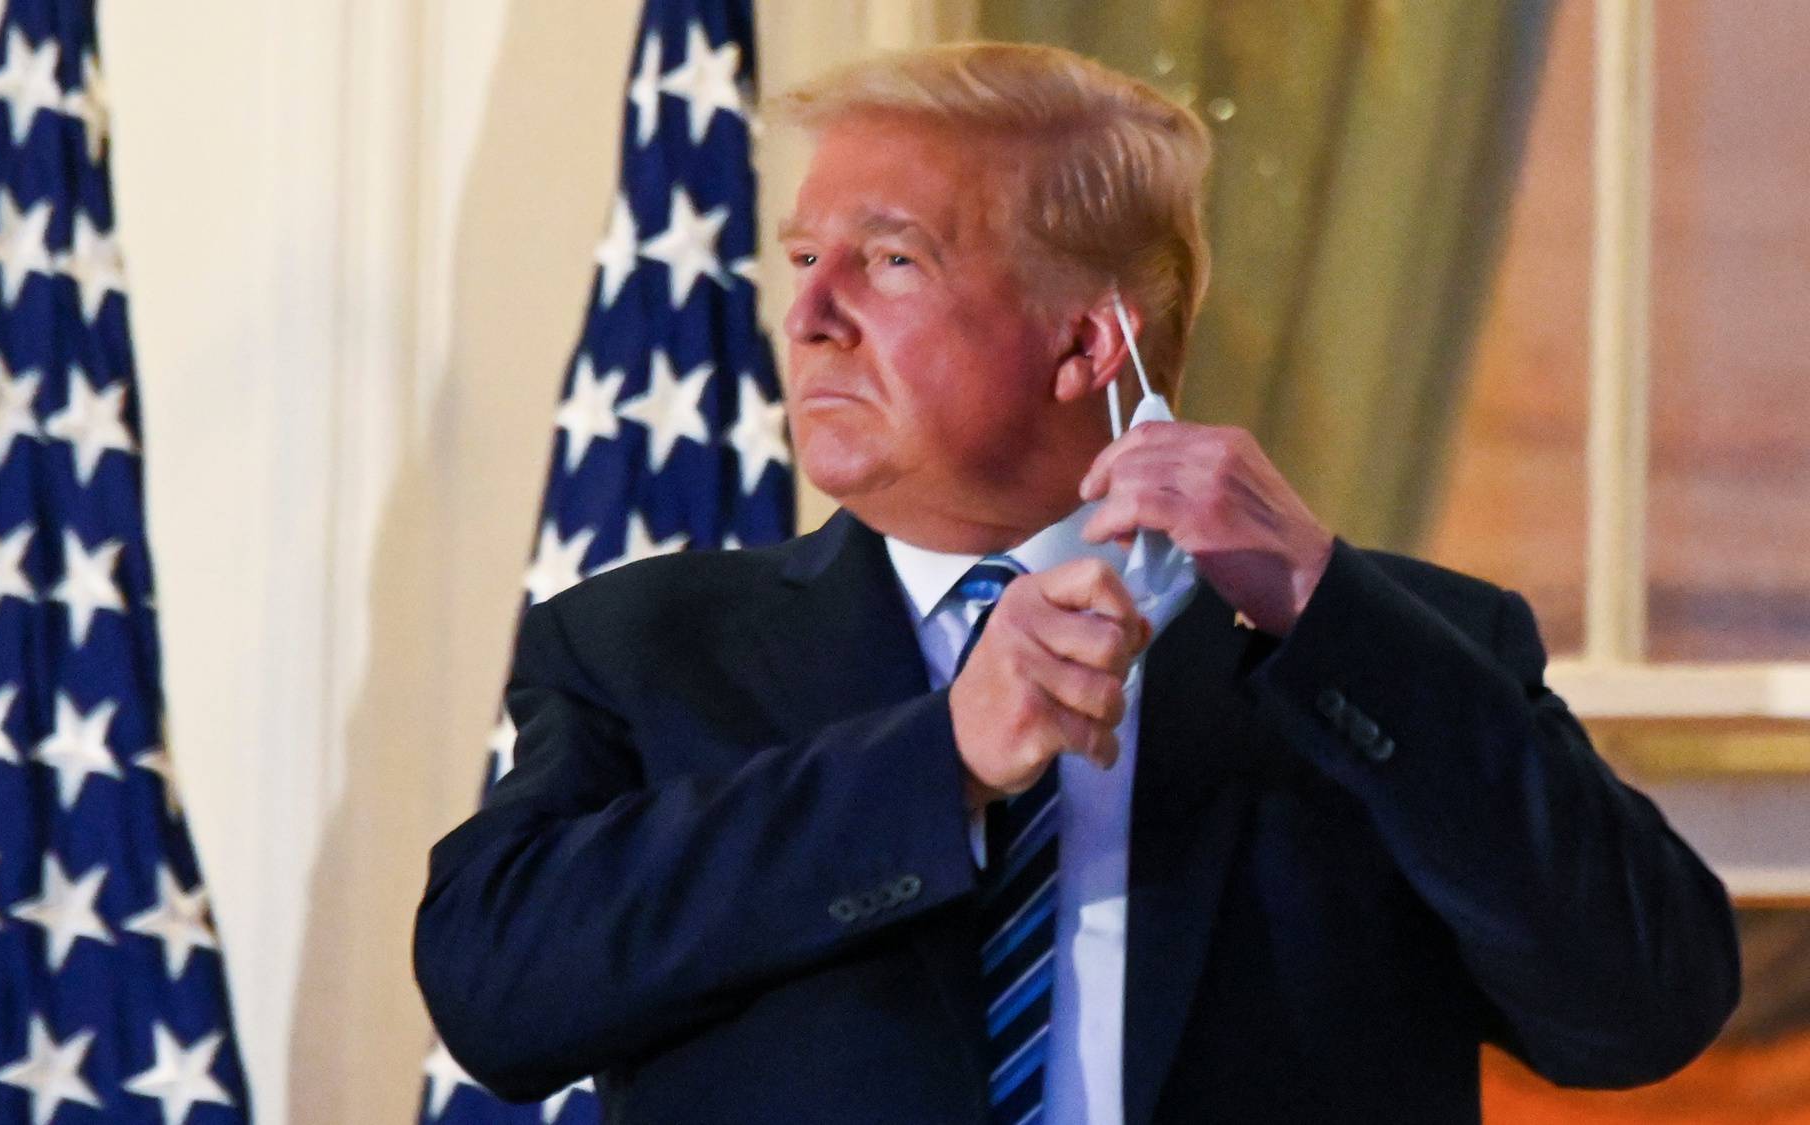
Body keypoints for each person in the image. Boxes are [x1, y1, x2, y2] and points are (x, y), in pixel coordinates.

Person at [413, 42, 1738, 1124]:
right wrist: (935, 764)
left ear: (1085, 341)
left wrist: (1328, 613)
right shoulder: (646, 646)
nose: (807, 310)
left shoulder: (1397, 649)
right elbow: (493, 991)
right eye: (800, 254)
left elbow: (1640, 1005)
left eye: (887, 259)